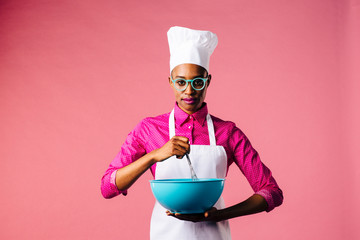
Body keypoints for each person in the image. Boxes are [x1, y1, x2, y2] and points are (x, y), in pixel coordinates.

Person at [101, 26, 283, 240]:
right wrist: (154, 156)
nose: (189, 91)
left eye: (198, 82)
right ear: (171, 82)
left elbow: (271, 192)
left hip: (214, 234)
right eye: (181, 82)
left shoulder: (228, 132)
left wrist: (220, 215)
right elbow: (108, 186)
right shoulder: (149, 129)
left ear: (208, 81)